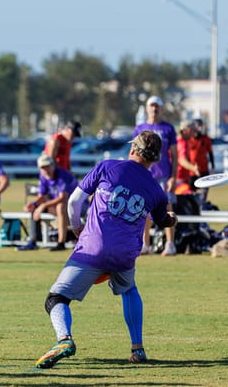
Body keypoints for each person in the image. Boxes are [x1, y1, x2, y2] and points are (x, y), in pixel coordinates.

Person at [34, 130, 177, 369]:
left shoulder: (107, 167)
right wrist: (172, 219)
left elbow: (74, 202)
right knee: (129, 290)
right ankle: (137, 348)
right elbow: (163, 221)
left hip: (92, 247)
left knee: (56, 298)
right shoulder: (156, 191)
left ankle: (64, 340)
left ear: (133, 149)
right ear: (155, 159)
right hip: (125, 254)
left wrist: (76, 227)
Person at [132, 95, 178, 256]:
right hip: (144, 175)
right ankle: (145, 243)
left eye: (157, 106)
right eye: (151, 106)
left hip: (163, 175)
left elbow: (174, 155)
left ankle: (170, 243)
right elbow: (133, 153)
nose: (154, 109)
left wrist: (173, 176)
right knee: (143, 209)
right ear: (147, 108)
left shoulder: (168, 129)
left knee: (167, 207)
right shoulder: (139, 129)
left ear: (161, 108)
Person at [17, 154, 78, 252]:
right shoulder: (43, 177)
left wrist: (43, 206)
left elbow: (63, 198)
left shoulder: (63, 175)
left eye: (48, 166)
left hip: (77, 207)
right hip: (56, 206)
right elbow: (42, 196)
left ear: (53, 165)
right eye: (43, 167)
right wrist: (34, 204)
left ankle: (61, 242)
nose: (46, 169)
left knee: (60, 206)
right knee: (34, 208)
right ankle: (33, 241)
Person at [191, 118, 215, 200]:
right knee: (191, 193)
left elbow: (210, 153)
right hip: (192, 171)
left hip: (204, 169)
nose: (200, 128)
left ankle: (203, 205)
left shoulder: (206, 139)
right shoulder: (189, 139)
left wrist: (212, 167)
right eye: (198, 126)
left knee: (204, 191)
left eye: (201, 126)